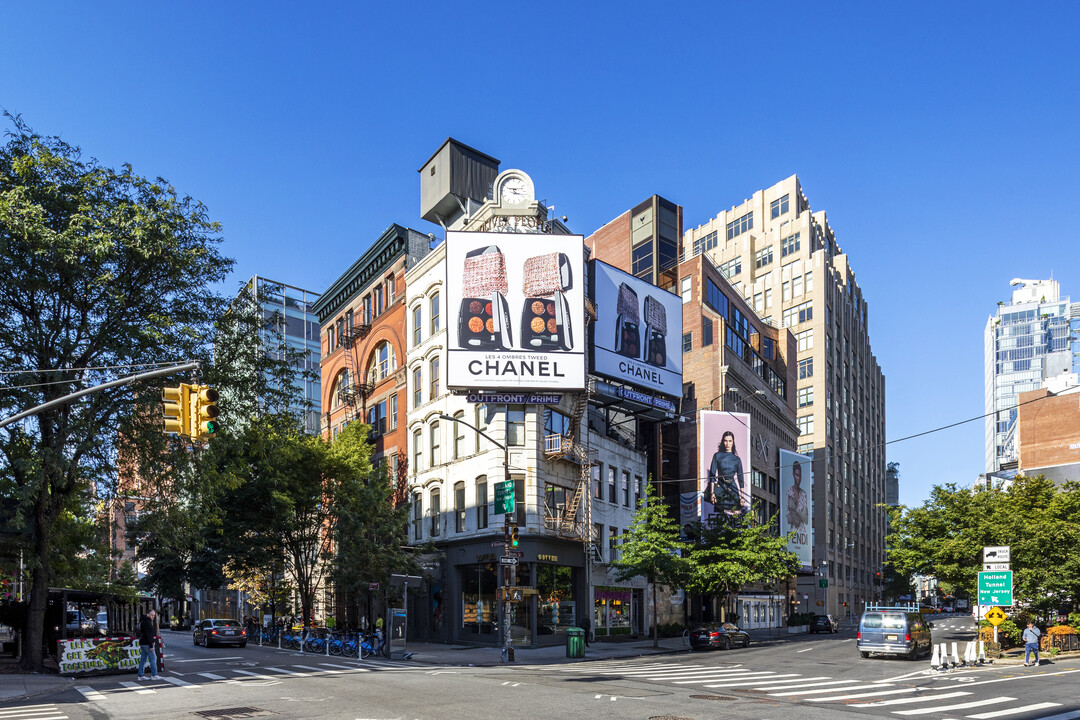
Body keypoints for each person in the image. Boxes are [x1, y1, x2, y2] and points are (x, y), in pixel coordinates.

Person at [705, 430, 746, 514]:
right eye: (725, 441)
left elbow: (740, 478)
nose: (727, 443)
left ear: (733, 442)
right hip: (720, 487)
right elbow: (712, 476)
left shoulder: (737, 459)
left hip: (732, 487)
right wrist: (712, 493)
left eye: (730, 441)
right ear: (722, 441)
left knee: (737, 514)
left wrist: (742, 496)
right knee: (721, 515)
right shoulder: (717, 456)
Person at [136, 609, 161, 681]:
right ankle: (154, 675)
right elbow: (149, 634)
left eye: (154, 615)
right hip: (147, 643)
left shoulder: (143, 621)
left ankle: (140, 675)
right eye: (151, 615)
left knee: (143, 660)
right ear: (147, 614)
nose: (153, 617)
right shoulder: (148, 622)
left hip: (143, 642)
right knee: (153, 658)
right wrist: (151, 644)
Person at [785, 461, 809, 530]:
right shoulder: (789, 492)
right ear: (793, 475)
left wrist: (793, 511)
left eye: (800, 475)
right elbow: (789, 519)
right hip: (792, 533)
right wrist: (801, 515)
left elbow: (806, 519)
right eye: (797, 475)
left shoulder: (804, 493)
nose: (799, 478)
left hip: (803, 533)